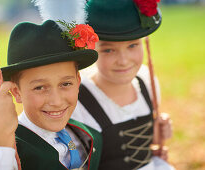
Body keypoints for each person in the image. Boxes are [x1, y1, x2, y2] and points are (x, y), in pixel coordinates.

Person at [0, 20, 102, 170]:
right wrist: (0, 135)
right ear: (16, 92)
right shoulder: (4, 149)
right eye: (40, 87)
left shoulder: (85, 135)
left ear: (77, 81)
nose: (56, 101)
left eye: (66, 84)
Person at [70, 0, 174, 169]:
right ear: (91, 49)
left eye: (133, 45)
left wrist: (158, 136)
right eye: (108, 50)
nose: (124, 61)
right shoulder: (78, 101)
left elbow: (148, 144)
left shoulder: (146, 80)